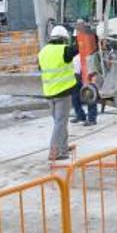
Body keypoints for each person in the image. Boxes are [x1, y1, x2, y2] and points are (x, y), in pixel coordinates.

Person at [38, 25, 78, 161]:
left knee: (59, 122)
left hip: (49, 93)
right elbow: (78, 48)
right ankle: (54, 151)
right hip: (62, 92)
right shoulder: (64, 50)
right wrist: (80, 33)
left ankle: (63, 148)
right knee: (61, 123)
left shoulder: (43, 52)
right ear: (63, 39)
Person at [70, 20, 97, 127]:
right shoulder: (77, 46)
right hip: (77, 73)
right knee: (75, 97)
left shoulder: (88, 42)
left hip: (87, 71)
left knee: (89, 94)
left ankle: (92, 118)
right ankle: (80, 115)